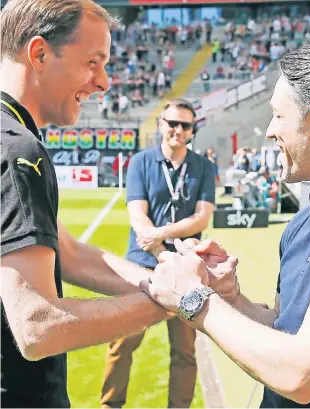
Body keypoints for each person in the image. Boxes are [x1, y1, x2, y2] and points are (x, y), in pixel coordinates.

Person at [141, 41, 310, 408]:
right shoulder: (301, 224)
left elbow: (301, 375)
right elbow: (283, 329)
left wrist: (194, 298)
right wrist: (229, 297)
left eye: (278, 116)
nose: (269, 131)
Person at [0, 1, 187, 407]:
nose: (103, 82)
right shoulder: (16, 150)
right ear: (39, 54)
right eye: (92, 62)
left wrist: (165, 282)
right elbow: (36, 326)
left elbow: (67, 252)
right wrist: (177, 302)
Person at [101, 99, 216, 408]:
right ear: (161, 124)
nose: (178, 130)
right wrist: (161, 252)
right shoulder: (140, 161)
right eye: (172, 123)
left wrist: (162, 236)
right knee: (122, 343)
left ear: (193, 130)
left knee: (184, 351)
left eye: (186, 125)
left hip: (187, 271)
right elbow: (138, 218)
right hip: (142, 268)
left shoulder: (204, 166)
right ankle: (110, 405)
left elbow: (202, 218)